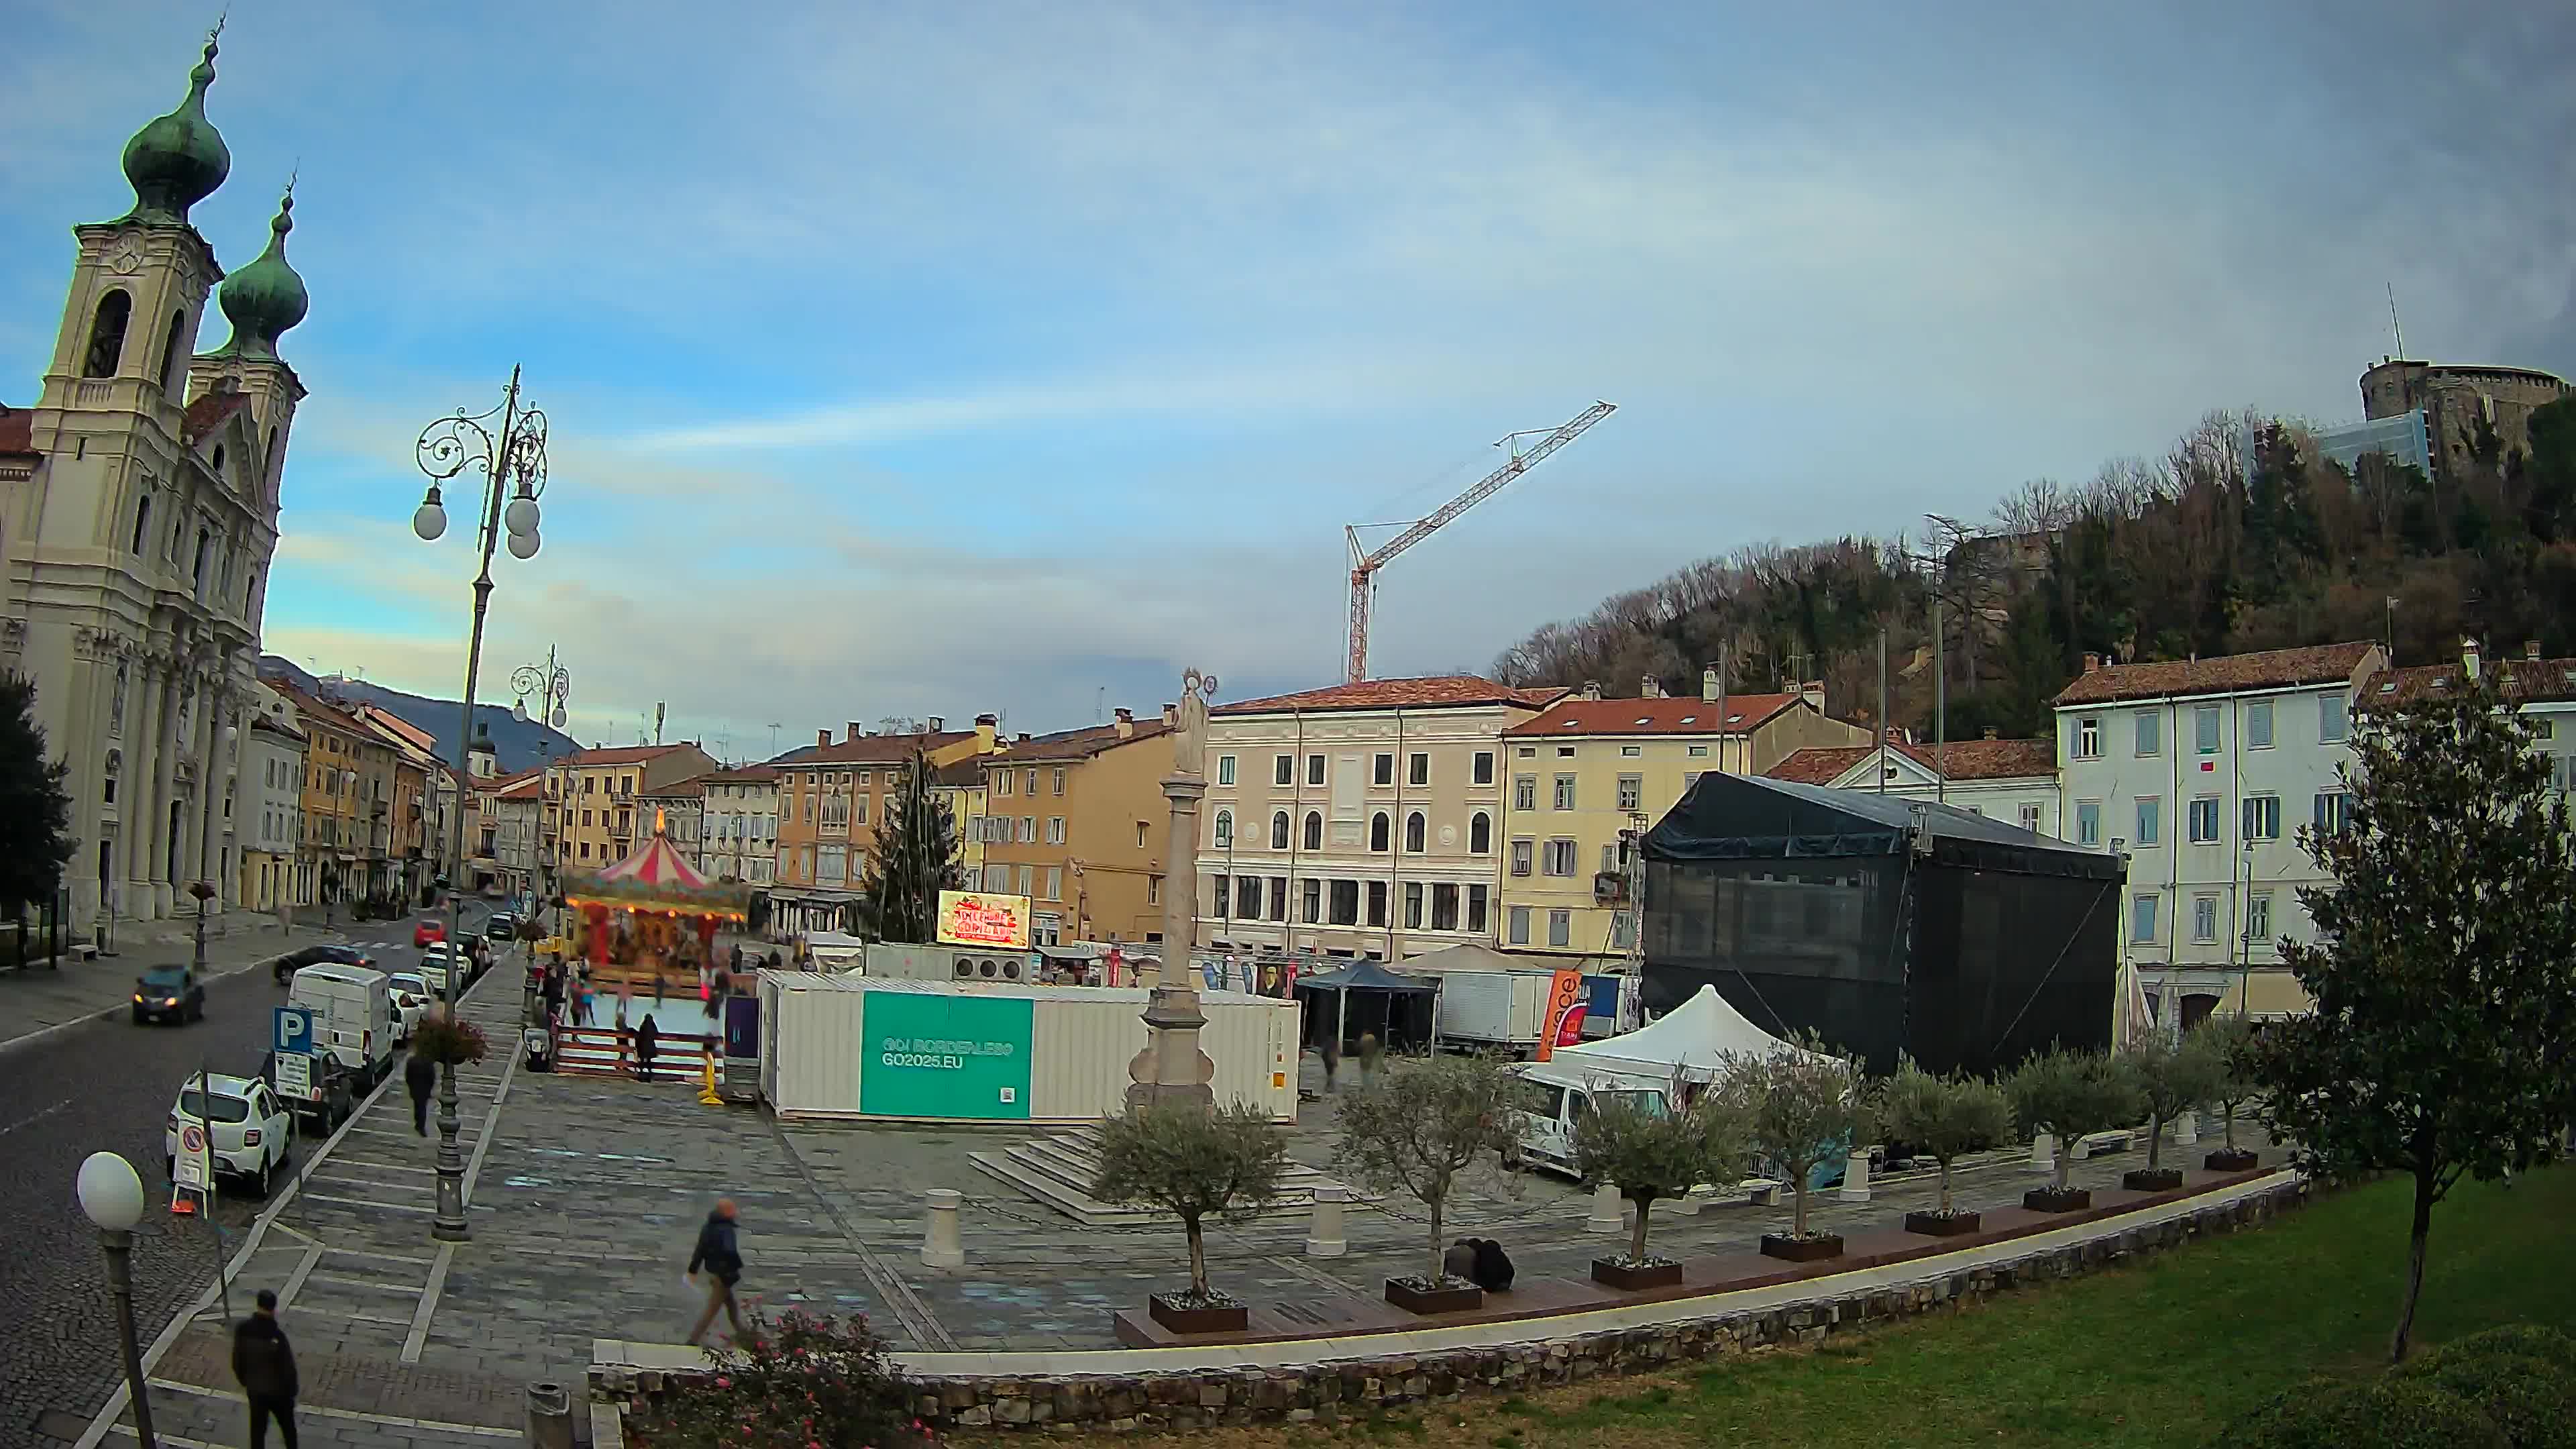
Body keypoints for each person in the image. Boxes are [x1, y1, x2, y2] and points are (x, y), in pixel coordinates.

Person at [231, 1288, 299, 1449]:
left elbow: (237, 1362)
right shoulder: (277, 1336)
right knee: (289, 1430)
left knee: (257, 1433)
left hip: (256, 1391)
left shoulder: (243, 1330)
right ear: (274, 1309)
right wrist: (291, 1392)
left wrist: (247, 1382)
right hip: (279, 1394)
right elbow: (288, 1369)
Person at [684, 1198, 747, 1346]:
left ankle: (743, 1334)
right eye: (732, 1210)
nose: (735, 1212)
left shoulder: (708, 1226)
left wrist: (692, 1270)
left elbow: (700, 1250)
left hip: (713, 1273)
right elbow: (730, 1251)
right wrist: (737, 1265)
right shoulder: (727, 1230)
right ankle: (693, 1340)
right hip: (724, 1275)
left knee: (731, 1305)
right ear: (727, 1212)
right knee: (712, 1310)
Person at [405, 1046, 436, 1137]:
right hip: (424, 1089)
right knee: (422, 1107)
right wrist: (430, 1089)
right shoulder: (428, 1062)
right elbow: (432, 1077)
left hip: (415, 1088)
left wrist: (410, 1086)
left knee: (418, 1106)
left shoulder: (412, 1061)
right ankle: (420, 1126)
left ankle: (419, 1124)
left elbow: (408, 1076)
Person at [635, 1012, 660, 1081]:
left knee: (642, 1062)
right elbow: (656, 1033)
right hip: (651, 1048)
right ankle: (649, 1075)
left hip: (642, 1048)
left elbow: (640, 1035)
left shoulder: (643, 1026)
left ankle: (641, 1075)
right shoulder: (653, 1026)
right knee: (649, 1062)